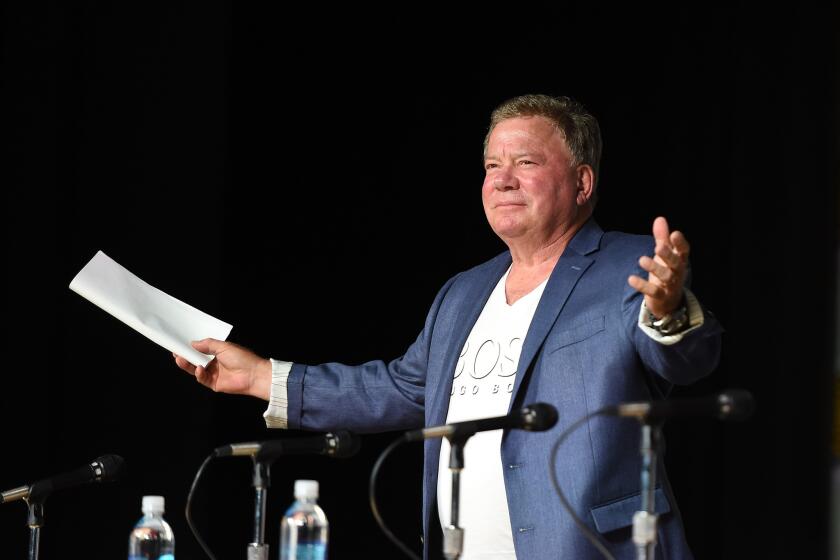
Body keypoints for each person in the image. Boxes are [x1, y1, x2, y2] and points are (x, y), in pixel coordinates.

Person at [174, 94, 722, 559]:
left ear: (582, 182)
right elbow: (401, 388)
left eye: (526, 162)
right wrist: (261, 378)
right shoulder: (462, 292)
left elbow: (686, 359)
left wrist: (669, 312)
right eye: (490, 166)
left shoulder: (630, 266)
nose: (503, 180)